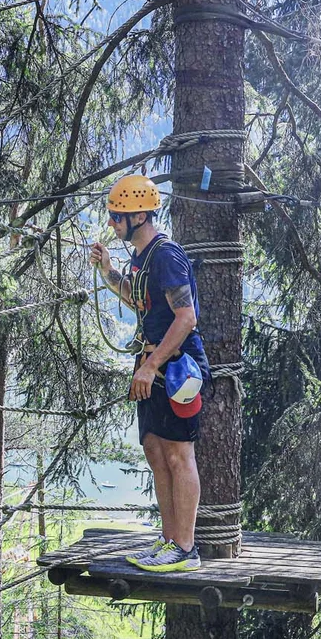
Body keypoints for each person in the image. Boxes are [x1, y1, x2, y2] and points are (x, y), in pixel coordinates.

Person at [89, 174, 206, 572]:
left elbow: (186, 317)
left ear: (140, 215)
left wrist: (153, 364)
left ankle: (186, 549)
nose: (112, 223)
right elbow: (139, 299)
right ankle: (169, 540)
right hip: (152, 368)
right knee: (156, 452)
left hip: (176, 371)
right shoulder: (142, 259)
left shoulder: (167, 255)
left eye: (116, 216)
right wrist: (107, 271)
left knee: (178, 454)